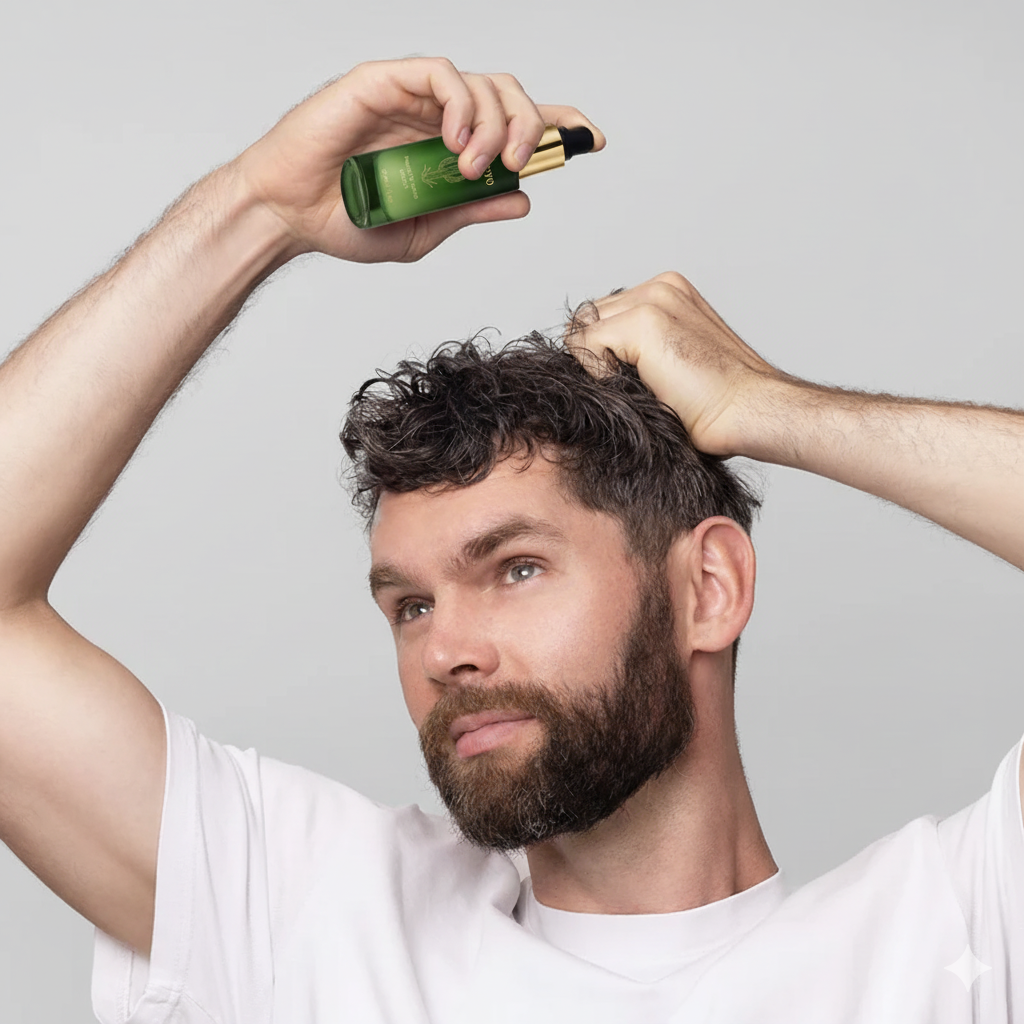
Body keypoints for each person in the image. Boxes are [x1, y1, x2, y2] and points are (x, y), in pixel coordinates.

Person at [0, 54, 1019, 1024]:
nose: (446, 651)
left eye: (516, 568)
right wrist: (259, 210)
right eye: (410, 605)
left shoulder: (955, 933)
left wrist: (772, 408)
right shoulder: (314, 924)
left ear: (707, 585)